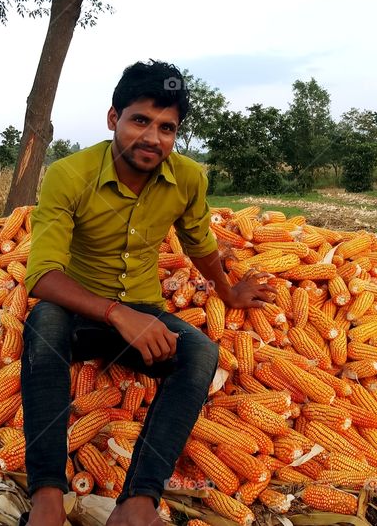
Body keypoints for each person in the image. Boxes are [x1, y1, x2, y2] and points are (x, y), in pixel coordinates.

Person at [20, 60, 274, 526]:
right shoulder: (69, 175)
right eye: (140, 120)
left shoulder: (189, 179)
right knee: (45, 322)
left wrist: (230, 292)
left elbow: (200, 245)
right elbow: (41, 277)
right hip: (80, 312)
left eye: (167, 128)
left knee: (200, 353)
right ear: (113, 118)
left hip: (141, 311)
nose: (153, 137)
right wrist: (117, 314)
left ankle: (137, 502)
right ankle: (47, 496)